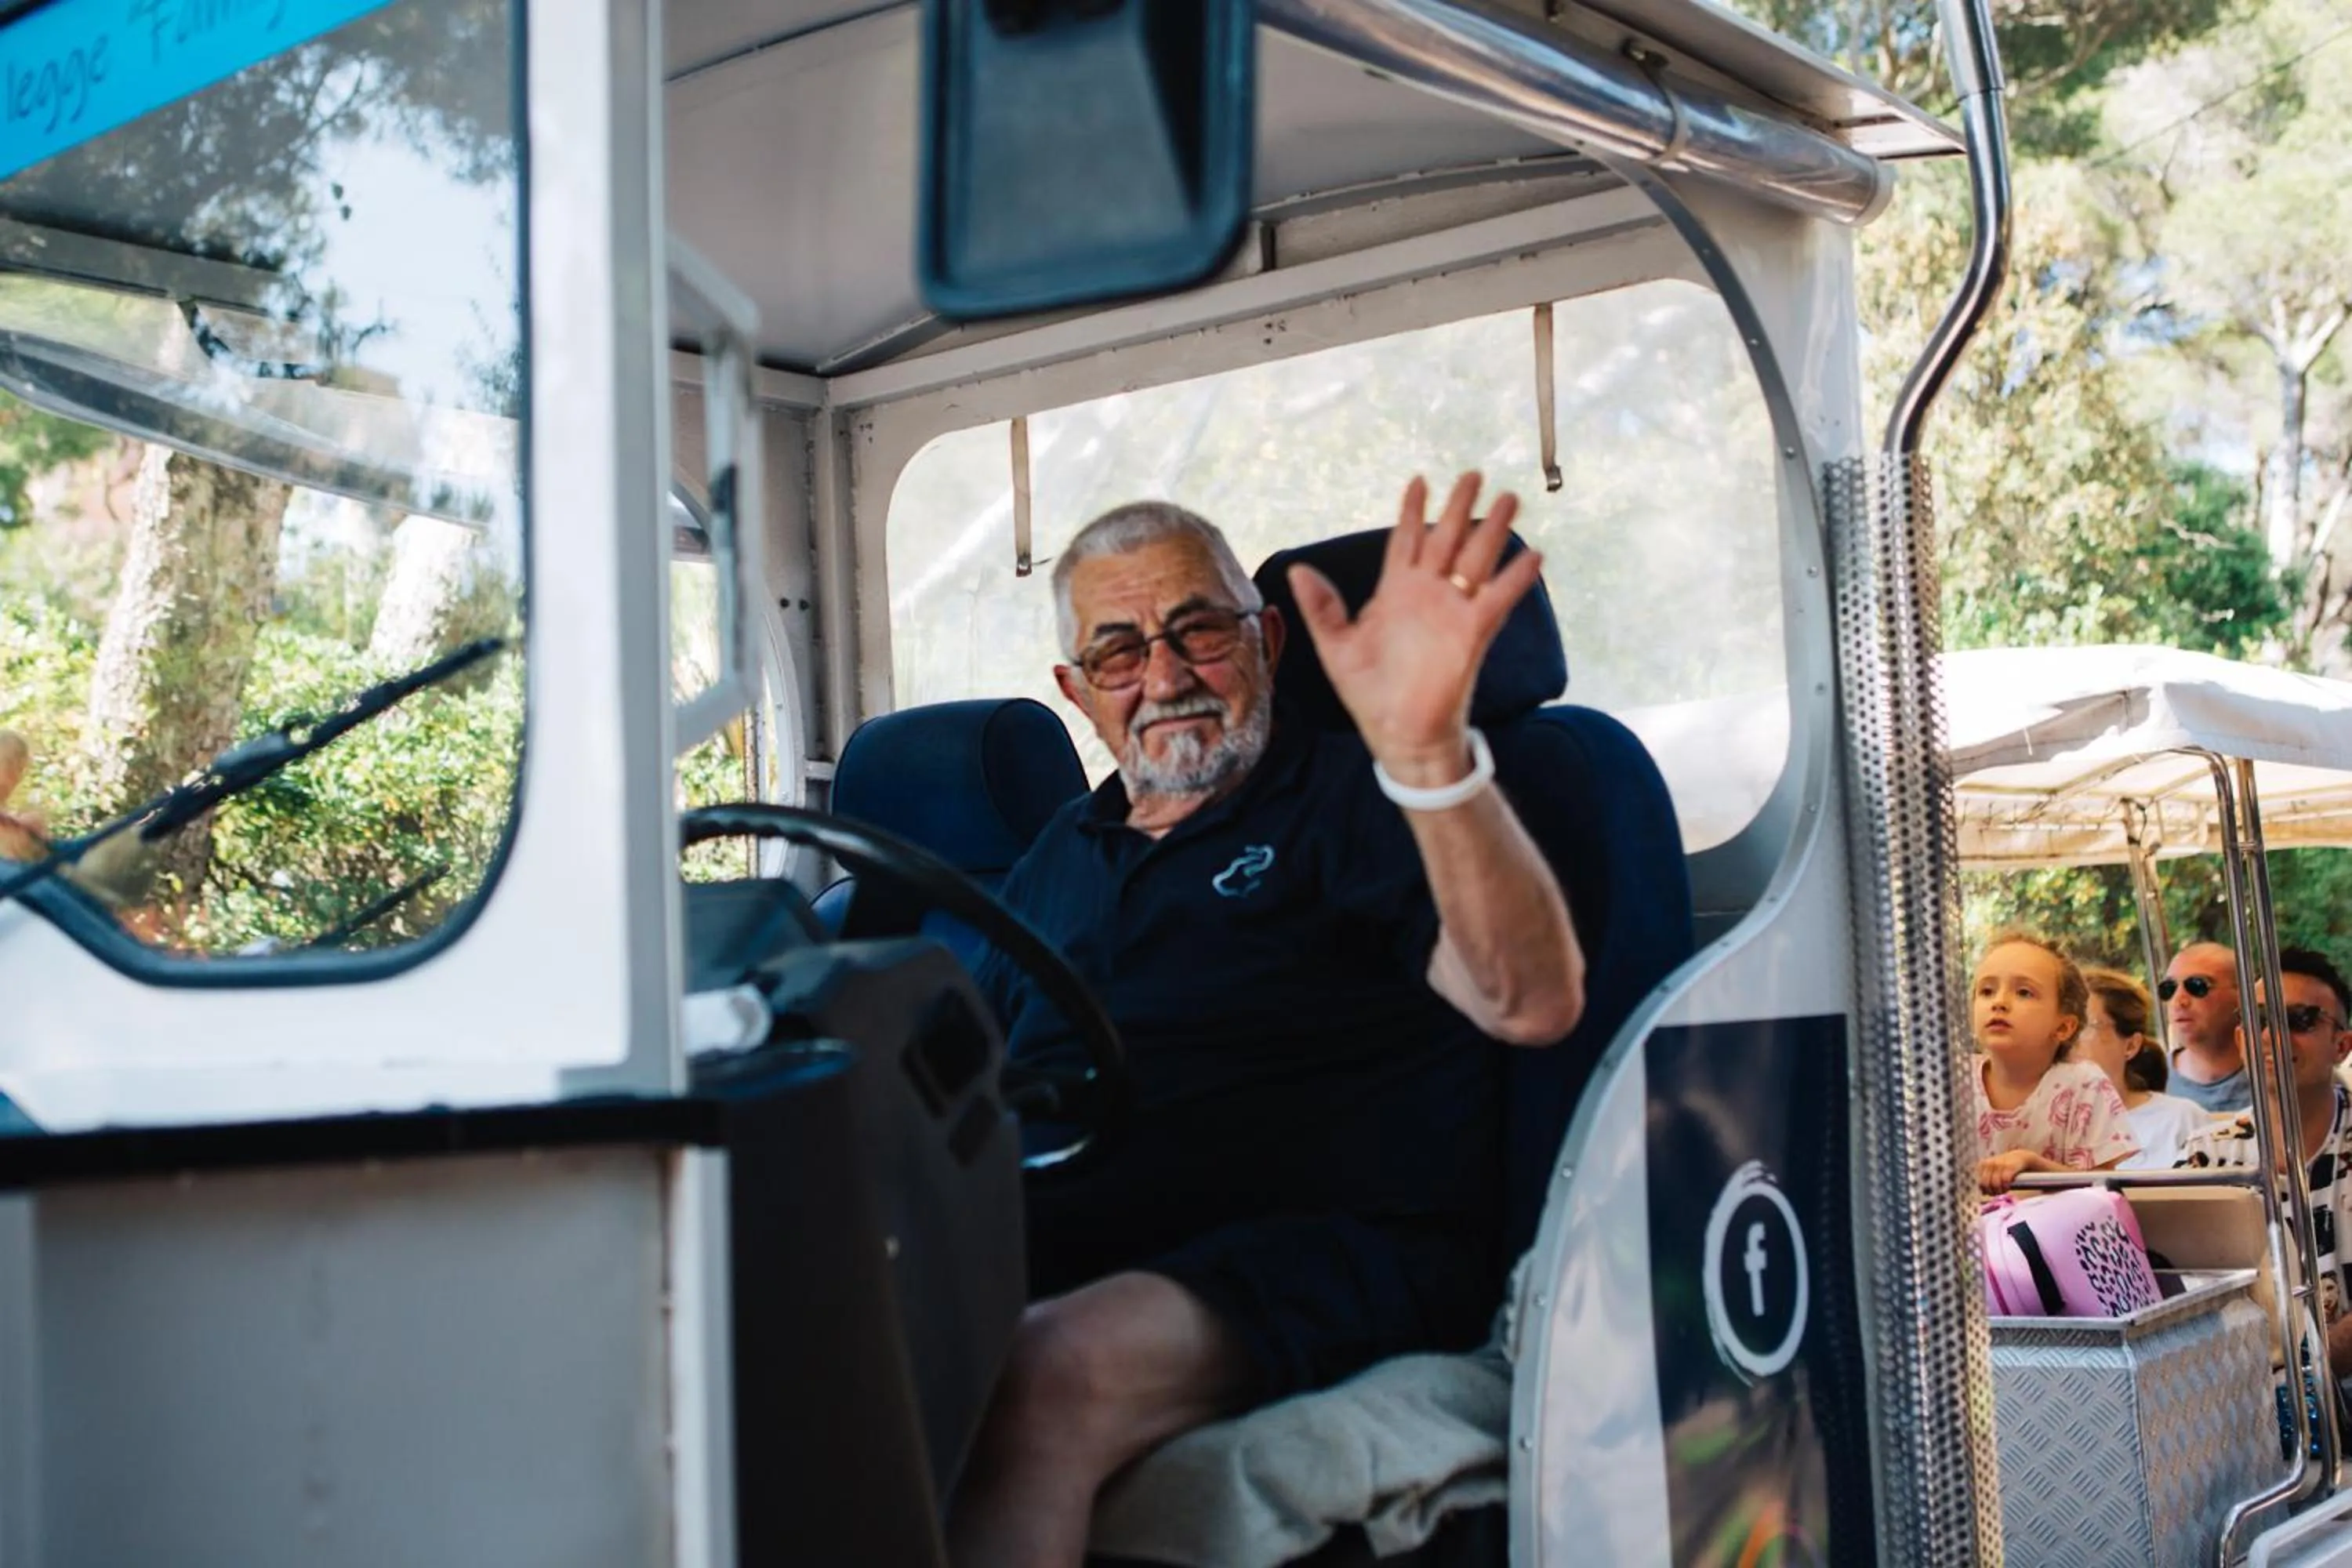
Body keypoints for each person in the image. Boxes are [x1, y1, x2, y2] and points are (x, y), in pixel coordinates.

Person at [948, 476, 1587, 1568]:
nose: (1165, 676)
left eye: (1200, 631)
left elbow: (1530, 1000)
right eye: (1119, 651)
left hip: (1326, 1249)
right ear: (1076, 687)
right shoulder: (1054, 860)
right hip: (1076, 1229)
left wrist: (1427, 753)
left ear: (1269, 640)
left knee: (1043, 1375)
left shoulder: (1363, 798)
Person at [2177, 949, 2352, 1377]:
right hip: (2251, 1402)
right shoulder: (2205, 1157)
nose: (2274, 1036)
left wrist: (2308, 1365)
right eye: (2258, 1020)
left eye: (2301, 1020)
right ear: (2241, 1039)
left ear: (2342, 1045)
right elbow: (2183, 1299)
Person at [1970, 933, 2137, 1193]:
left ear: (2063, 1027)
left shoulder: (2084, 1085)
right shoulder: (1950, 1084)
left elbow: (2102, 1191)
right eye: (1987, 991)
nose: (1999, 1003)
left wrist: (2034, 1165)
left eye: (2024, 992)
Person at [2076, 966, 2215, 1169]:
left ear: (2131, 1045)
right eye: (2061, 1027)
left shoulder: (2181, 1121)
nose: (2068, 1041)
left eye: (2084, 1027)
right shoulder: (2036, 1126)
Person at [2161, 940, 2250, 1113]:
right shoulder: (2149, 1086)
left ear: (2243, 995)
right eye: (2168, 989)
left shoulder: (2278, 1081)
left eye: (2197, 986)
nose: (2179, 1001)